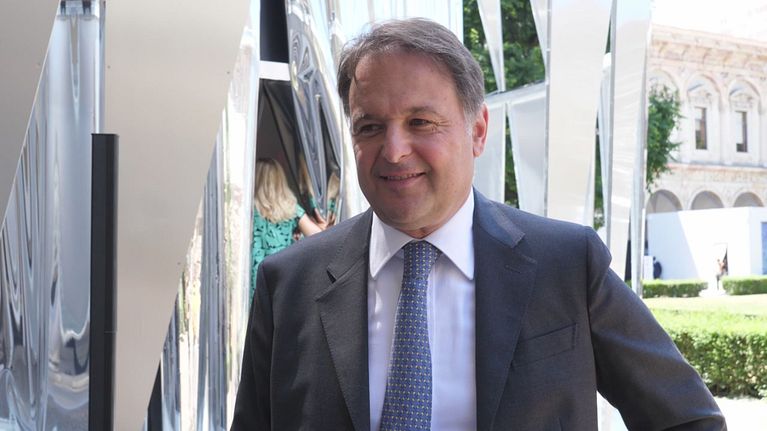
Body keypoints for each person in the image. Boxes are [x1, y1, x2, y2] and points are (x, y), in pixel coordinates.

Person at [232, 18, 725, 430]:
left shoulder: (566, 264)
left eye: (421, 122)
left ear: (478, 131)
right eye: (370, 126)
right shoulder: (288, 283)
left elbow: (687, 418)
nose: (394, 150)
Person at [249, 158, 323, 299]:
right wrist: (299, 241)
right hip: (284, 277)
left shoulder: (249, 211)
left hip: (255, 280)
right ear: (280, 181)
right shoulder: (291, 208)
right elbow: (318, 237)